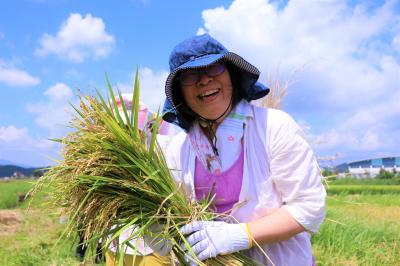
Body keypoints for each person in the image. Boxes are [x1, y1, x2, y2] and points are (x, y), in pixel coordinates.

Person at [159, 33, 326, 265]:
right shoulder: (178, 149)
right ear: (179, 93)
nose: (204, 80)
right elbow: (175, 215)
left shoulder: (274, 126)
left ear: (232, 75)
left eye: (214, 68)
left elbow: (309, 208)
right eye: (190, 75)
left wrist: (240, 235)